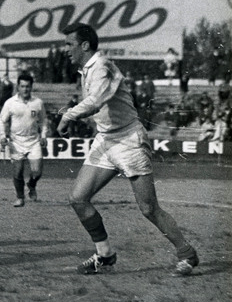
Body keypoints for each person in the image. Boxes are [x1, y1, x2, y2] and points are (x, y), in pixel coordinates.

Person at [56, 23, 199, 275]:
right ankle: (105, 255)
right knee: (78, 198)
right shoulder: (88, 69)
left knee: (148, 208)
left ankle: (187, 254)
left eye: (69, 44)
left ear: (85, 45)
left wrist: (68, 115)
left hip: (128, 140)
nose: (65, 49)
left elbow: (96, 101)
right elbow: (98, 105)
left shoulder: (102, 66)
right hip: (105, 140)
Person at [0, 72, 48, 207]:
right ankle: (20, 198)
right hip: (16, 141)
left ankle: (32, 184)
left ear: (31, 87)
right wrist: (2, 136)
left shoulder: (38, 103)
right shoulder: (10, 103)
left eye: (28, 86)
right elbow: (2, 121)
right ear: (18, 87)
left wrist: (43, 135)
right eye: (22, 86)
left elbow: (43, 121)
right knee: (18, 171)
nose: (25, 89)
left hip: (33, 141)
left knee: (37, 172)